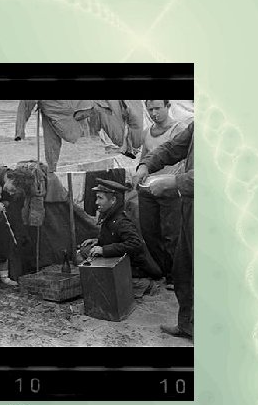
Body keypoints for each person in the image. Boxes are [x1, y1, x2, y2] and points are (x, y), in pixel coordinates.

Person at [135, 121, 194, 340]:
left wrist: (176, 182)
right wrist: (146, 165)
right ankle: (188, 325)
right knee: (183, 272)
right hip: (190, 208)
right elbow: (171, 148)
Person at [138, 100, 189, 286]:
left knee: (172, 234)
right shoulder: (146, 133)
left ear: (168, 107)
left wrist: (175, 182)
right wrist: (140, 169)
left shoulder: (180, 129)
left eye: (157, 108)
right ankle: (165, 270)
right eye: (150, 109)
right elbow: (146, 157)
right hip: (147, 189)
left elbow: (178, 157)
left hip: (170, 189)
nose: (153, 113)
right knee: (150, 232)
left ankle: (176, 277)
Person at [79, 179, 162, 280]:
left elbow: (135, 244)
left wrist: (103, 250)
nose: (97, 202)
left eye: (100, 198)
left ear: (113, 200)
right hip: (124, 262)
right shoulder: (110, 216)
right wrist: (97, 241)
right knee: (85, 250)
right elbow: (116, 237)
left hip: (136, 268)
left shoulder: (122, 221)